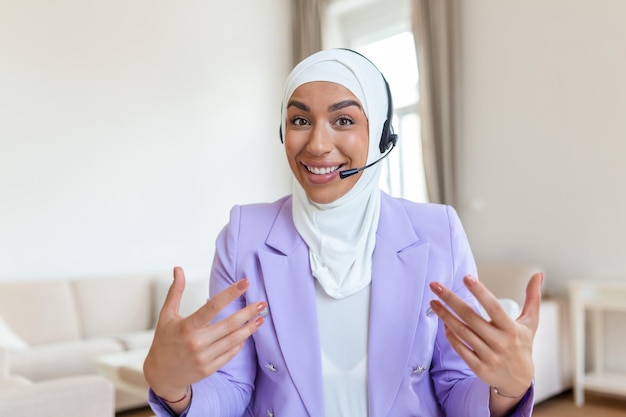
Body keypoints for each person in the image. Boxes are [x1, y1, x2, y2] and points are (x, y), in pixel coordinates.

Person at [143, 48, 542, 417]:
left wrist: (507, 389)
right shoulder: (244, 234)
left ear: (382, 136)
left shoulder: (440, 232)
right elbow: (232, 387)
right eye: (300, 120)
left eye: (344, 120)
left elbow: (456, 388)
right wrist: (173, 388)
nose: (317, 144)